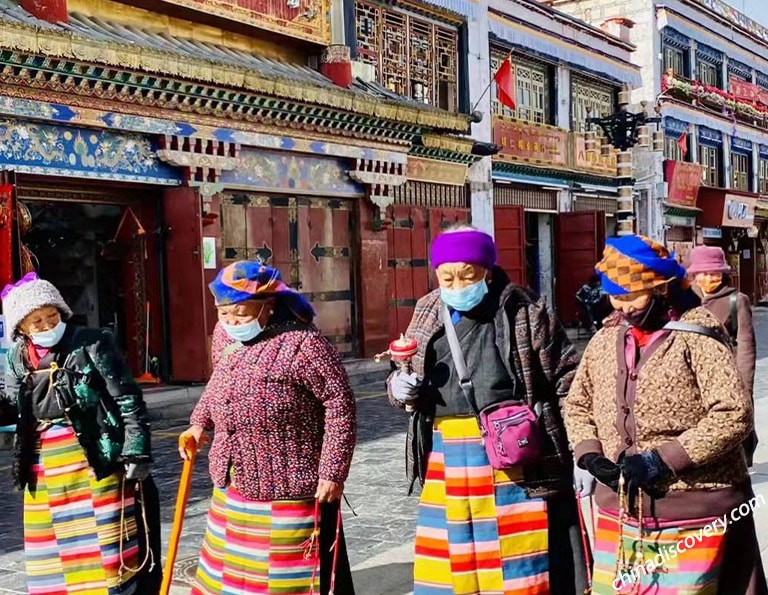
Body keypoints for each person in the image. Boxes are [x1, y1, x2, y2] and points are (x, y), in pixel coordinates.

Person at [387, 225, 591, 595]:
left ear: (488, 270)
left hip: (513, 450)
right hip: (446, 450)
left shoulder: (525, 310)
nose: (457, 284)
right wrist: (399, 389)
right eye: (446, 276)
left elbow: (567, 381)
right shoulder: (428, 309)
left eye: (467, 274)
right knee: (453, 554)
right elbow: (405, 371)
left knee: (517, 558)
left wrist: (580, 448)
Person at [564, 235, 767, 594]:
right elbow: (578, 402)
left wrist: (663, 460)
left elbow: (733, 413)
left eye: (631, 297)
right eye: (614, 296)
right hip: (621, 509)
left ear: (660, 288)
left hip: (693, 508)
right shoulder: (604, 340)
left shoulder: (697, 334)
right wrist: (590, 453)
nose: (621, 307)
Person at [179, 261, 357, 595]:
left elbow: (339, 404)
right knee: (231, 576)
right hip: (233, 480)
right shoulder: (224, 337)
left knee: (280, 582)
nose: (231, 322)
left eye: (241, 313)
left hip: (287, 486)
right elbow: (219, 384)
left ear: (268, 306)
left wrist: (332, 471)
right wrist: (199, 423)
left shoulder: (304, 345)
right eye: (223, 313)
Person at [0, 272, 155, 595]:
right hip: (44, 465)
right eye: (37, 322)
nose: (46, 326)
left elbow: (128, 398)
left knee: (106, 546)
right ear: (22, 329)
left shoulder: (93, 343)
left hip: (94, 458)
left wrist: (136, 451)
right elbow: (12, 404)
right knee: (53, 548)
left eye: (51, 316)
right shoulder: (17, 358)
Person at [688, 244, 758, 466]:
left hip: (726, 375)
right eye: (704, 273)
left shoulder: (736, 300)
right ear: (694, 274)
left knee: (733, 424)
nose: (709, 278)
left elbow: (746, 346)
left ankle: (740, 460)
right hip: (694, 375)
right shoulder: (685, 297)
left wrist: (745, 387)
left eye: (715, 273)